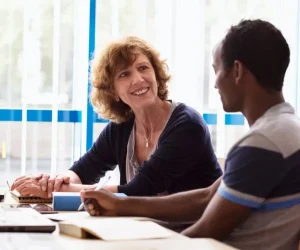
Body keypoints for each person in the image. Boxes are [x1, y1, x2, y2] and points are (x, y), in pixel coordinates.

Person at [80, 20, 300, 250]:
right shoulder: (283, 130)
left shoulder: (263, 144)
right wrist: (120, 205)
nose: (215, 84)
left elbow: (205, 231)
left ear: (236, 71)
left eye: (216, 70)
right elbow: (206, 197)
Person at [11, 36, 222, 198]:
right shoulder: (121, 128)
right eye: (124, 74)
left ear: (156, 74)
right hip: (146, 232)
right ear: (113, 91)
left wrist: (60, 190)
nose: (138, 79)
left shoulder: (187, 125)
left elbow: (139, 191)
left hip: (193, 235)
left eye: (143, 68)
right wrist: (55, 183)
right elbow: (84, 170)